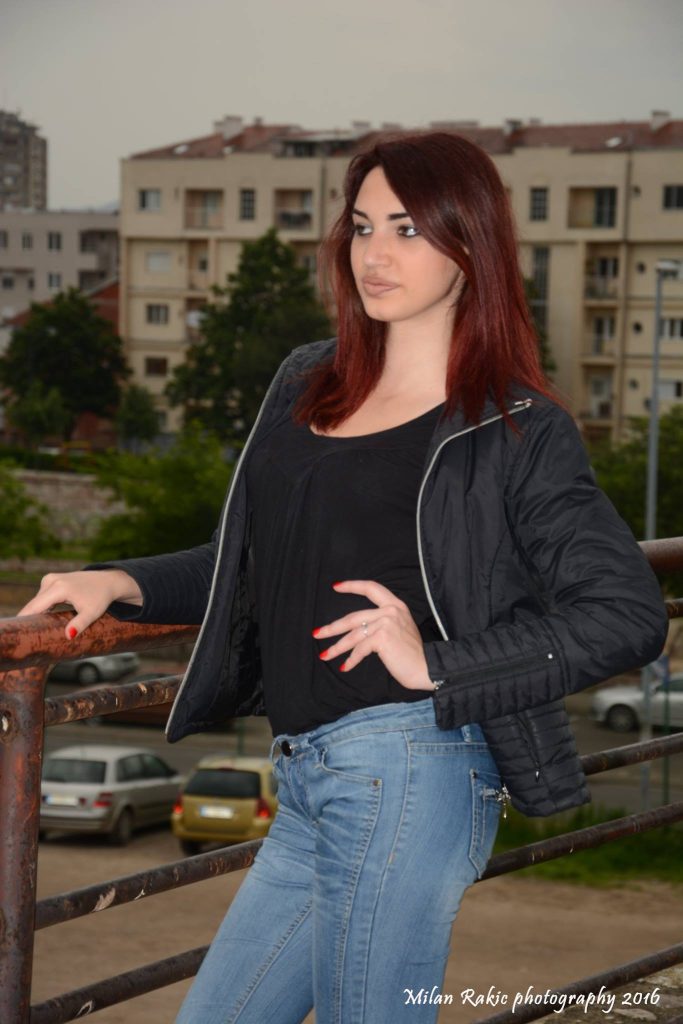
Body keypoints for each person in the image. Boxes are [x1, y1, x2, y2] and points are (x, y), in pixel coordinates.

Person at [19, 132, 668, 1023]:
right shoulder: (308, 380)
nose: (374, 254)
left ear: (470, 245)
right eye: (362, 227)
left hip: (410, 768)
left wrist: (436, 663)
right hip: (306, 779)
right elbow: (255, 562)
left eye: (406, 229)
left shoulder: (514, 426)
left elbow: (625, 613)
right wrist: (118, 581)